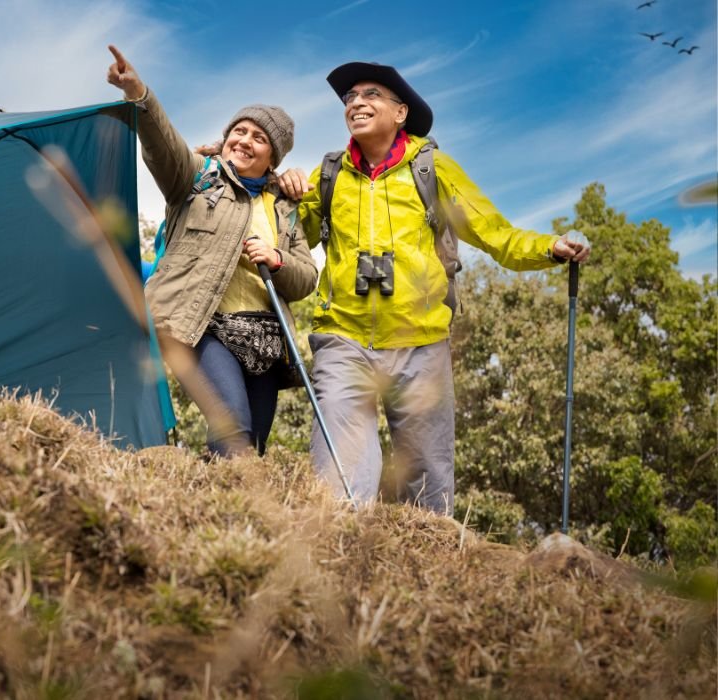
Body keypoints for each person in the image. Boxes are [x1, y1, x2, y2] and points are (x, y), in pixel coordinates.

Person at [277, 61, 591, 512]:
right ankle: (337, 561)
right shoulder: (327, 176)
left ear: (400, 112)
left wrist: (549, 247)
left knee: (427, 481)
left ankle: (427, 572)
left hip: (420, 344)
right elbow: (287, 239)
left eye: (370, 95)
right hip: (343, 339)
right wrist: (280, 189)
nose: (356, 103)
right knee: (340, 474)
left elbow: (494, 232)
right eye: (349, 98)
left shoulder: (432, 168)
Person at [106, 45, 317, 457]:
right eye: (239, 131)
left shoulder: (284, 209)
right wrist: (139, 95)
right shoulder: (197, 180)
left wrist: (278, 259)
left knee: (251, 446)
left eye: (259, 138)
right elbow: (163, 144)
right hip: (202, 326)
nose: (244, 141)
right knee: (232, 426)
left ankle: (226, 513)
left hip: (266, 341)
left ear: (272, 157)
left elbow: (307, 277)